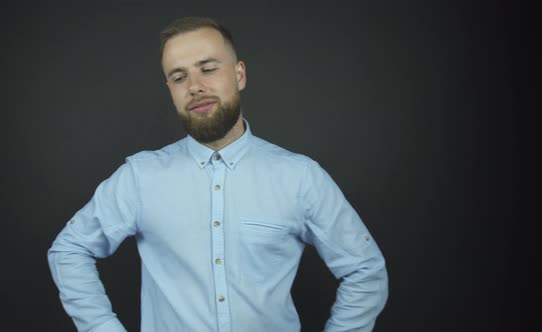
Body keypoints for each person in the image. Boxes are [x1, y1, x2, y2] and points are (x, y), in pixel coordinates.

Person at [48, 16, 388, 332]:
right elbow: (70, 250)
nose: (194, 86)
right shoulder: (140, 177)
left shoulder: (300, 178)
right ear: (170, 89)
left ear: (239, 75)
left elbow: (365, 271)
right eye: (179, 77)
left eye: (208, 69)